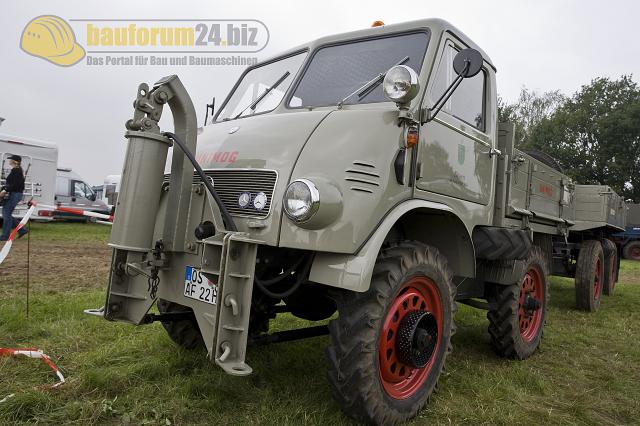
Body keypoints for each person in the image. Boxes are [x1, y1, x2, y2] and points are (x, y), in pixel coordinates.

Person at [0, 154, 28, 241]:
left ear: (15, 161)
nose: (9, 161)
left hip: (15, 194)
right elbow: (11, 183)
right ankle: (22, 230)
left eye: (11, 159)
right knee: (7, 214)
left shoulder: (17, 171)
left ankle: (5, 236)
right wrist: (4, 188)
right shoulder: (16, 170)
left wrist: (5, 190)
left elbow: (14, 184)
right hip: (15, 193)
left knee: (6, 213)